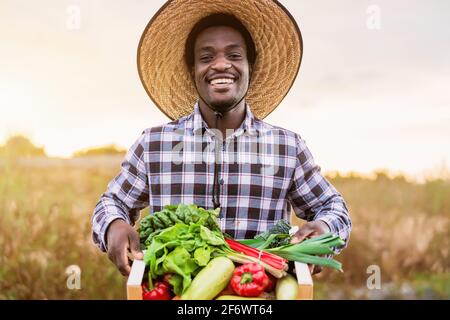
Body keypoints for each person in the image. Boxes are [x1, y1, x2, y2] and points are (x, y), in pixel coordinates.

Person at [92, 0, 352, 277]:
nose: (220, 65)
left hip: (259, 296)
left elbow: (333, 207)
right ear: (192, 70)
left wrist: (324, 228)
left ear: (250, 66)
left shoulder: (286, 147)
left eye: (234, 55)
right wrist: (114, 225)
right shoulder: (153, 144)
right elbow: (112, 202)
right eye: (206, 57)